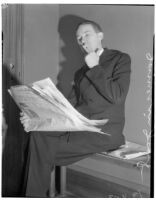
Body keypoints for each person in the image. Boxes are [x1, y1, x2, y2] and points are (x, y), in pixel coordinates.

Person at [20, 20, 131, 197]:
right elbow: (68, 106)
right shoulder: (80, 72)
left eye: (86, 35)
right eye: (79, 38)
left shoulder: (120, 59)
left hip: (104, 131)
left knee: (39, 149)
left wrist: (95, 66)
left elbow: (117, 96)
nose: (82, 41)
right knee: (37, 134)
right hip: (80, 126)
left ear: (100, 35)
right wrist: (38, 119)